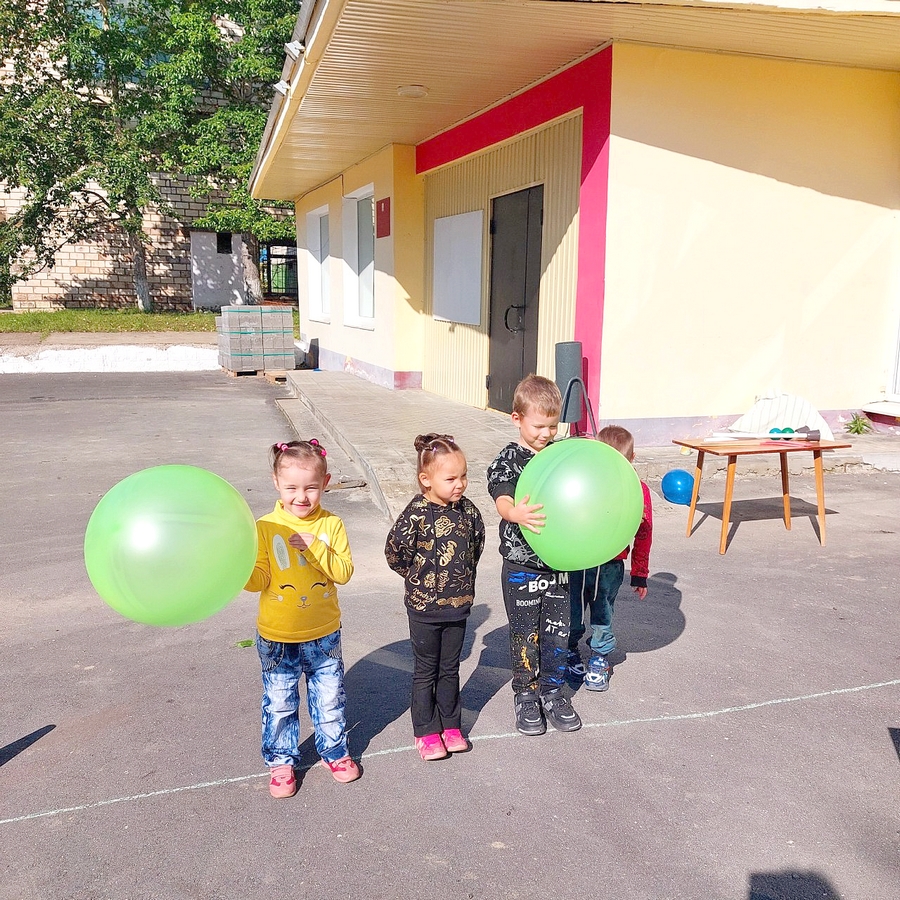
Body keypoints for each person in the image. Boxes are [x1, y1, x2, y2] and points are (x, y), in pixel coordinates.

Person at [244, 439, 359, 799]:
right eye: (292, 487)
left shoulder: (331, 524)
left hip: (324, 633)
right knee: (279, 701)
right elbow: (259, 579)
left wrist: (315, 547)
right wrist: (237, 566)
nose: (301, 497)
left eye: (310, 487)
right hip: (277, 635)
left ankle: (334, 751)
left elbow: (343, 573)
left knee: (329, 697)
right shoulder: (265, 527)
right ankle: (281, 761)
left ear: (325, 483)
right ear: (276, 483)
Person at [486, 375, 582, 736]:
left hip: (559, 565)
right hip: (521, 565)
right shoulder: (509, 458)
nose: (546, 434)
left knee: (557, 633)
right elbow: (501, 494)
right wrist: (514, 513)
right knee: (525, 635)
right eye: (538, 426)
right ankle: (526, 695)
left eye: (552, 426)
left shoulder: (559, 456)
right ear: (517, 419)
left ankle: (554, 692)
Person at [385, 434, 485, 761]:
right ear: (426, 480)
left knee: (450, 668)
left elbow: (476, 547)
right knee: (426, 670)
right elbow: (395, 553)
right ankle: (426, 731)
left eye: (463, 476)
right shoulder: (414, 514)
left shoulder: (468, 511)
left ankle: (451, 726)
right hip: (424, 610)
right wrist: (419, 578)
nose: (460, 484)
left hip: (458, 607)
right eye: (451, 478)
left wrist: (461, 580)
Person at [567, 424, 653, 692]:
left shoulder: (637, 490)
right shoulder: (585, 484)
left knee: (602, 613)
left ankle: (599, 657)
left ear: (632, 459)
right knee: (572, 610)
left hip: (610, 566)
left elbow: (644, 532)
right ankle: (569, 650)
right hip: (577, 561)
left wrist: (639, 574)